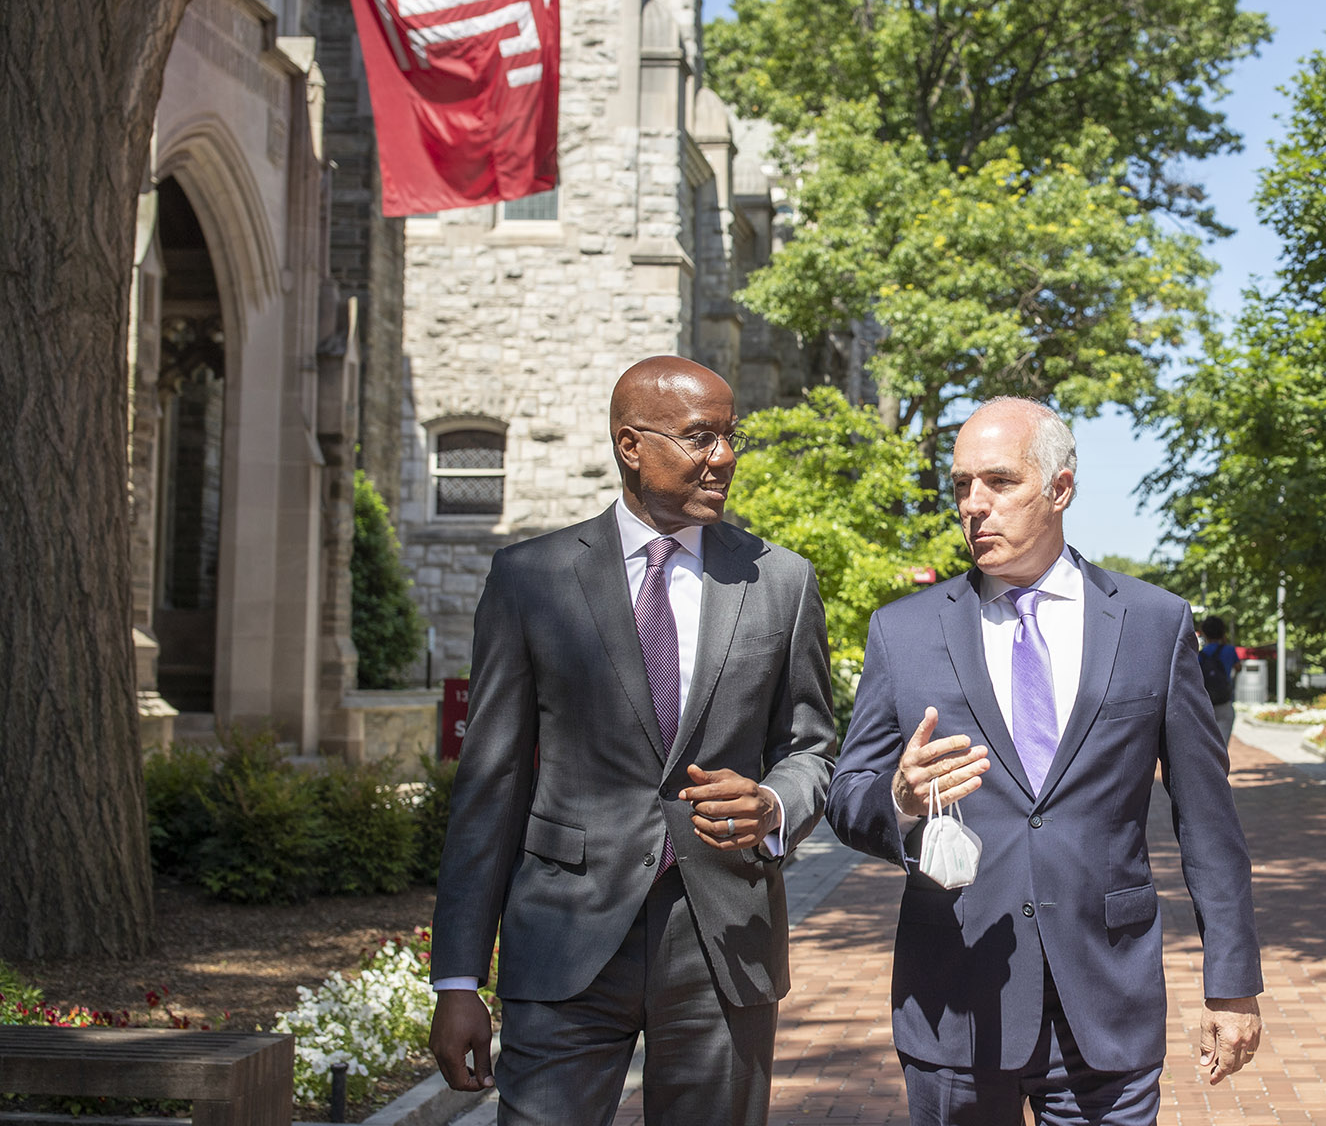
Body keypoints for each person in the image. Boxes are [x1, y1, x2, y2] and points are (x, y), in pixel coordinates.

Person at [826, 397, 1263, 1126]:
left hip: (1106, 1001)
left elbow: (1208, 820)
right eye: (962, 485)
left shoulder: (1154, 624)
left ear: (1060, 488)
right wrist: (899, 798)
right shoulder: (903, 632)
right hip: (954, 1000)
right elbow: (846, 796)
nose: (974, 505)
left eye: (998, 482)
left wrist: (1232, 983)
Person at [426, 356, 837, 1126]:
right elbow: (491, 786)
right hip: (564, 941)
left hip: (724, 940)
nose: (725, 457)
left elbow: (813, 746)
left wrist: (775, 804)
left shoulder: (781, 581)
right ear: (630, 445)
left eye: (730, 436)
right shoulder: (530, 579)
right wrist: (457, 979)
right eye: (699, 437)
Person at [1198, 615, 1241, 742]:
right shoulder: (1230, 651)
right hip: (1224, 702)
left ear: (1204, 633)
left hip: (1205, 703)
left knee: (1207, 745)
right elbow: (1238, 668)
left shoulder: (1201, 655)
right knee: (1221, 747)